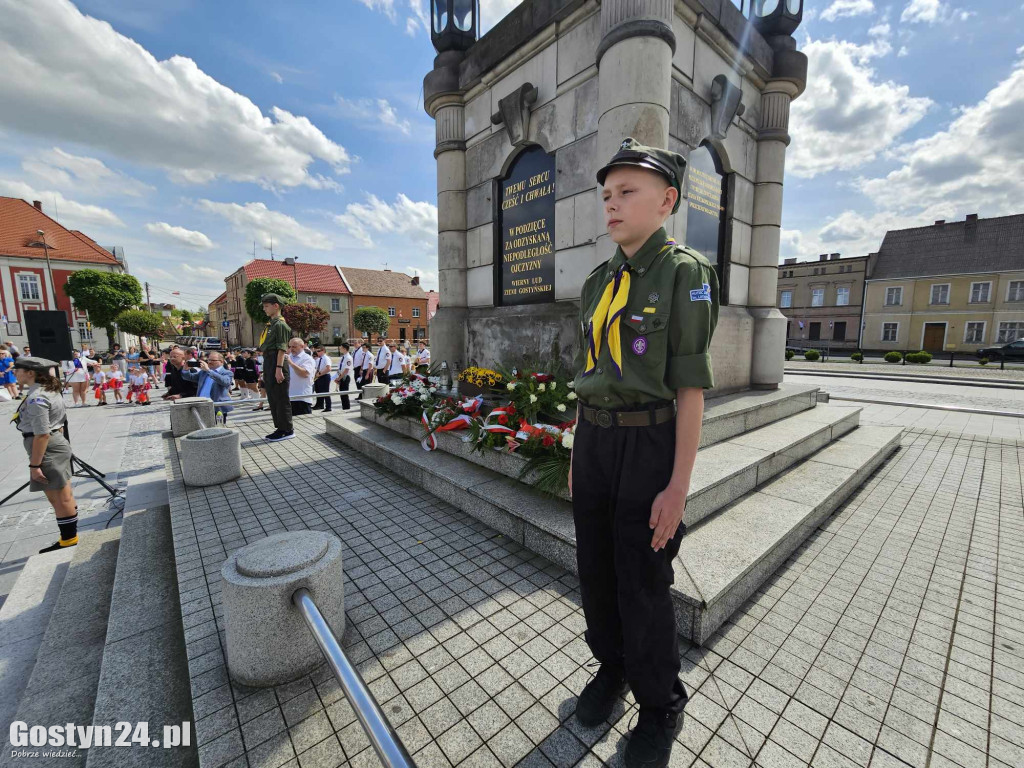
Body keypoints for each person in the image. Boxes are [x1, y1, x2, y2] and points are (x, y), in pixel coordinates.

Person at [568, 138, 719, 768]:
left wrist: (678, 485)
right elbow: (589, 371)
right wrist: (579, 451)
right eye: (606, 194)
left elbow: (690, 389)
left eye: (627, 191)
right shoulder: (598, 282)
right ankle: (614, 667)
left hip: (651, 441)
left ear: (667, 200)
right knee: (597, 570)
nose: (612, 204)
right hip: (598, 438)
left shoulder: (685, 274)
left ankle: (661, 703)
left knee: (644, 580)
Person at [11, 357, 80, 553]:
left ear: (30, 373)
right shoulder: (47, 391)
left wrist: (34, 466)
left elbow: (42, 434)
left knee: (59, 497)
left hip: (46, 447)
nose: (15, 373)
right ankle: (69, 537)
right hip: (53, 444)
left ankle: (68, 540)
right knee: (62, 494)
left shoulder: (36, 398)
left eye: (18, 370)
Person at [258, 294, 294, 441]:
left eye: (266, 306)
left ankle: (287, 429)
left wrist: (278, 369)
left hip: (276, 361)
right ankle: (280, 428)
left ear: (276, 306)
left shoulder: (280, 325)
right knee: (273, 397)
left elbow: (281, 349)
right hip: (269, 360)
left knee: (280, 397)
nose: (264, 308)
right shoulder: (271, 324)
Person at [179, 351, 234, 424]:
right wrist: (186, 370)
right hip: (202, 405)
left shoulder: (227, 373)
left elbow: (225, 382)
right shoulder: (203, 372)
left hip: (217, 407)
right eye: (208, 360)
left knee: (218, 429)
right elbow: (190, 377)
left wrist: (208, 370)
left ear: (221, 361)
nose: (209, 362)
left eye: (212, 360)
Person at [285, 337, 316, 417]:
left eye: (294, 347)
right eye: (290, 346)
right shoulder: (289, 357)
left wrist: (291, 363)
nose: (291, 349)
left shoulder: (307, 359)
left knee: (303, 425)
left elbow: (305, 374)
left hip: (301, 398)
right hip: (289, 397)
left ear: (302, 346)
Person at [311, 345, 333, 412]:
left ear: (323, 351)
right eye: (316, 351)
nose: (317, 352)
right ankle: (319, 405)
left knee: (325, 392)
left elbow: (328, 368)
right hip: (319, 376)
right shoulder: (320, 358)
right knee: (319, 391)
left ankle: (328, 407)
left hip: (324, 376)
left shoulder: (326, 358)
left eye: (319, 351)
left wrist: (319, 374)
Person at [334, 343, 353, 411]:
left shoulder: (348, 358)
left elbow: (346, 370)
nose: (340, 349)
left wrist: (339, 378)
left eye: (341, 348)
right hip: (341, 376)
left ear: (345, 349)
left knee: (344, 394)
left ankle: (346, 408)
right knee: (341, 394)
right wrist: (337, 377)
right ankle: (344, 407)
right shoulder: (343, 357)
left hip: (345, 377)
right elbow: (340, 368)